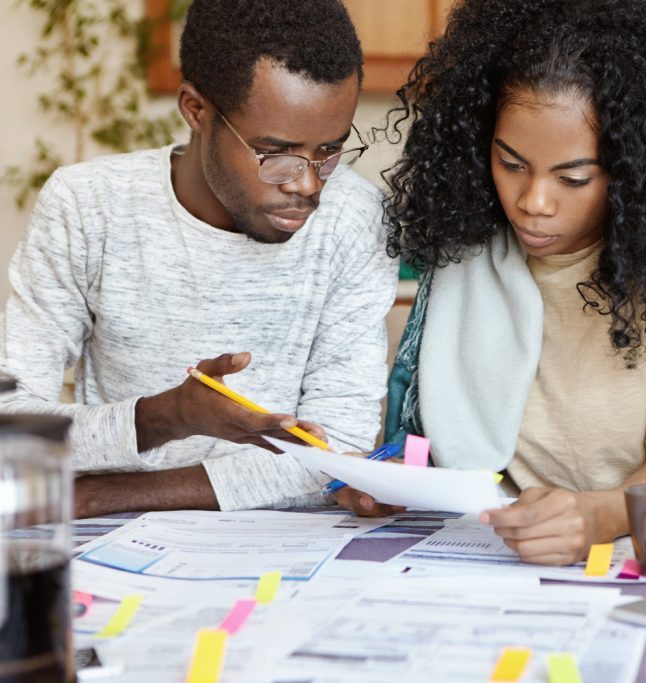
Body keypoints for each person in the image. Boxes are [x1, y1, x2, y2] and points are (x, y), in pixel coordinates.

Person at [335, 0, 646, 566]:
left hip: (640, 552)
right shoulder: (464, 247)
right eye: (510, 164)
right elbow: (434, 427)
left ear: (635, 169)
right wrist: (394, 475)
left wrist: (590, 517)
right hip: (476, 551)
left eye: (573, 177)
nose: (533, 203)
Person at [0, 0, 396, 517]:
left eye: (330, 149)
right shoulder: (87, 206)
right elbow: (11, 424)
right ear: (196, 109)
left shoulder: (355, 217)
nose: (308, 184)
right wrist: (165, 417)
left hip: (281, 549)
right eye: (274, 153)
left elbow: (337, 449)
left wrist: (101, 494)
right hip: (114, 547)